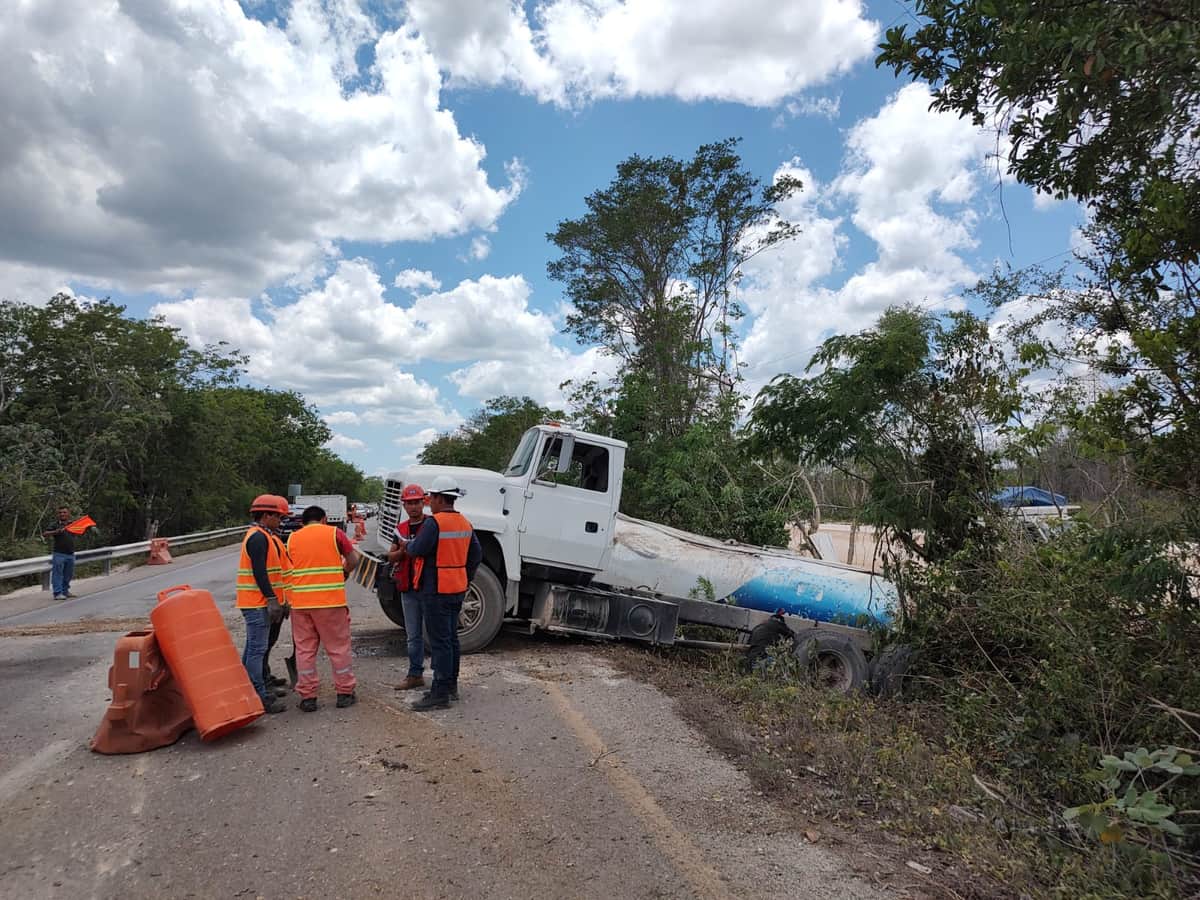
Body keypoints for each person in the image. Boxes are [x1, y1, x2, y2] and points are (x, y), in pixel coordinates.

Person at [404, 475, 482, 711]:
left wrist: (407, 545)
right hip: (457, 589)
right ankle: (450, 686)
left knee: (440, 643)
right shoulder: (465, 523)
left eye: (431, 498)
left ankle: (439, 693)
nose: (429, 502)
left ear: (439, 498)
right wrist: (465, 576)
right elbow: (477, 554)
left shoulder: (434, 523)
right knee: (451, 639)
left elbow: (418, 549)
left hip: (437, 590)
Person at [286, 505, 360, 712]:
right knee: (338, 648)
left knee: (305, 650)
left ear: (303, 522)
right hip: (330, 602)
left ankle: (308, 697)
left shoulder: (292, 539)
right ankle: (344, 693)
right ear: (325, 519)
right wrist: (343, 572)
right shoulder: (334, 533)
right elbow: (354, 559)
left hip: (300, 604)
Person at [235, 495, 292, 714]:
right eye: (278, 516)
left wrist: (282, 600)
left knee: (255, 649)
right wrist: (271, 600)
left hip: (260, 603)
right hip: (257, 604)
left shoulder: (266, 536)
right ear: (266, 515)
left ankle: (255, 686)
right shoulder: (258, 538)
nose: (281, 520)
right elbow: (260, 572)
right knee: (256, 650)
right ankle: (259, 695)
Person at [388, 484, 430, 691]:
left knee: (435, 633)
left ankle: (442, 677)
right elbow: (391, 555)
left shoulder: (432, 525)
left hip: (429, 588)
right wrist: (405, 550)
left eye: (417, 502)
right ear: (404, 505)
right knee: (413, 635)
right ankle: (415, 674)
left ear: (424, 502)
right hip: (409, 589)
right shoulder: (401, 529)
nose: (413, 506)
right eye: (410, 503)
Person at [42, 506, 95, 601]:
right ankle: (57, 593)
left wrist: (88, 526)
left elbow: (82, 531)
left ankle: (65, 591)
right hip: (59, 554)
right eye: (60, 512)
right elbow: (45, 533)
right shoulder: (55, 524)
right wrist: (56, 531)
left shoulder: (73, 524)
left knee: (68, 575)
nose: (62, 514)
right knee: (57, 574)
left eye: (64, 512)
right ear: (58, 514)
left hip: (70, 554)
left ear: (68, 514)